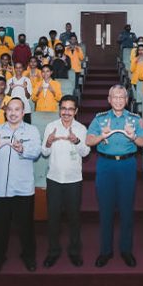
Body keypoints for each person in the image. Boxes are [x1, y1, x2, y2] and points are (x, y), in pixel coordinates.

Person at [86, 85, 143, 268]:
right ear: (109, 99)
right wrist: (101, 136)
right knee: (105, 209)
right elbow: (89, 141)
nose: (119, 100)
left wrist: (133, 136)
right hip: (105, 165)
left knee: (126, 209)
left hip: (127, 165)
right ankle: (105, 251)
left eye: (122, 97)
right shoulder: (100, 119)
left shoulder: (135, 119)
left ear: (127, 100)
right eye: (115, 97)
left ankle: (126, 250)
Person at [0, 98, 41, 274]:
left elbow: (36, 152)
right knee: (0, 227)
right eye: (10, 110)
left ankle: (29, 256)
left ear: (23, 112)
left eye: (17, 110)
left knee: (26, 226)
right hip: (2, 188)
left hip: (23, 188)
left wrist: (22, 149)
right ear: (6, 112)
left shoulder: (32, 130)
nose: (13, 113)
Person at [41, 95, 90, 268]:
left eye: (70, 109)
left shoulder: (81, 128)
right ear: (59, 109)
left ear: (76, 111)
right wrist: (48, 142)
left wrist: (76, 140)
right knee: (53, 218)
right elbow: (44, 152)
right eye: (63, 108)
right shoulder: (51, 126)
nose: (66, 112)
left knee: (74, 218)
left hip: (73, 180)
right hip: (54, 179)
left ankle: (74, 251)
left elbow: (85, 152)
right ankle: (53, 251)